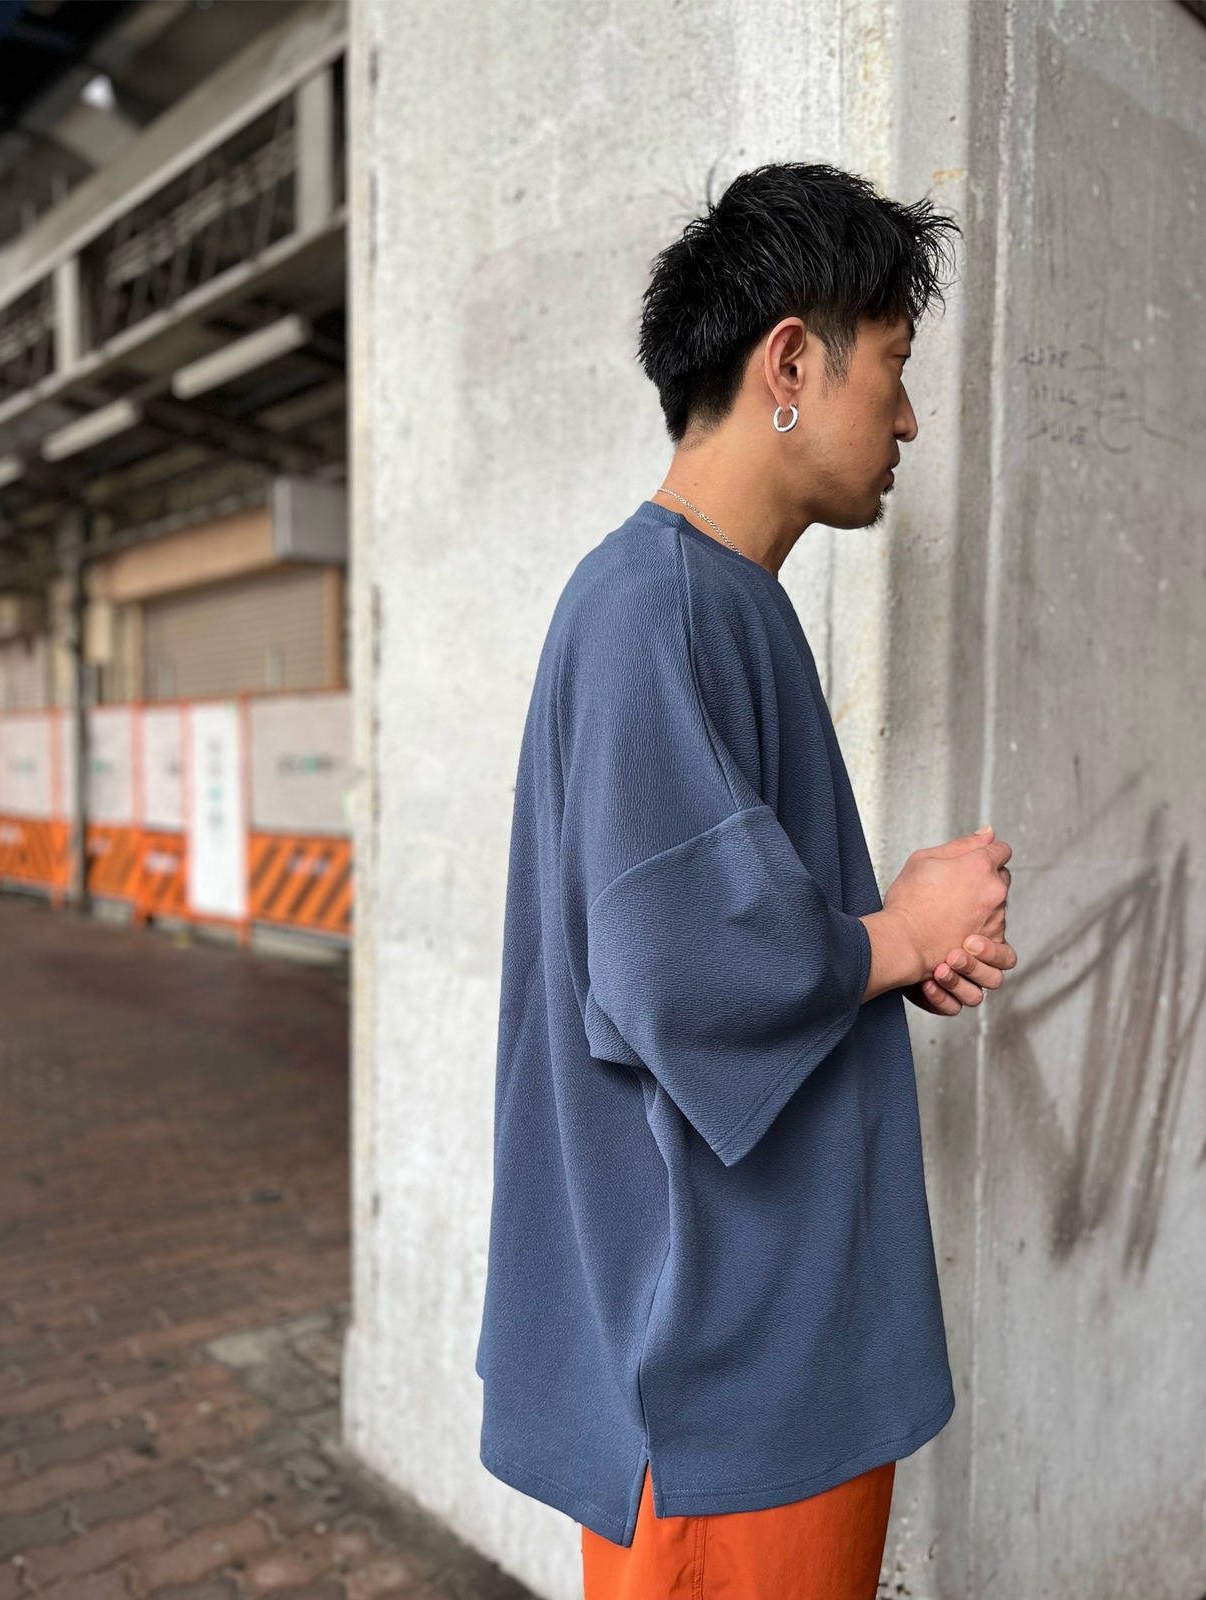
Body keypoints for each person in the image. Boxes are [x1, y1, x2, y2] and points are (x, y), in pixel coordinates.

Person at [474, 161, 1016, 1600]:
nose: (908, 417)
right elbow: (672, 965)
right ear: (790, 364)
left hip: (759, 1349)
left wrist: (885, 937)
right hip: (723, 1373)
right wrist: (897, 937)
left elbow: (692, 925)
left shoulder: (710, 598)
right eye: (892, 365)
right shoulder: (656, 603)